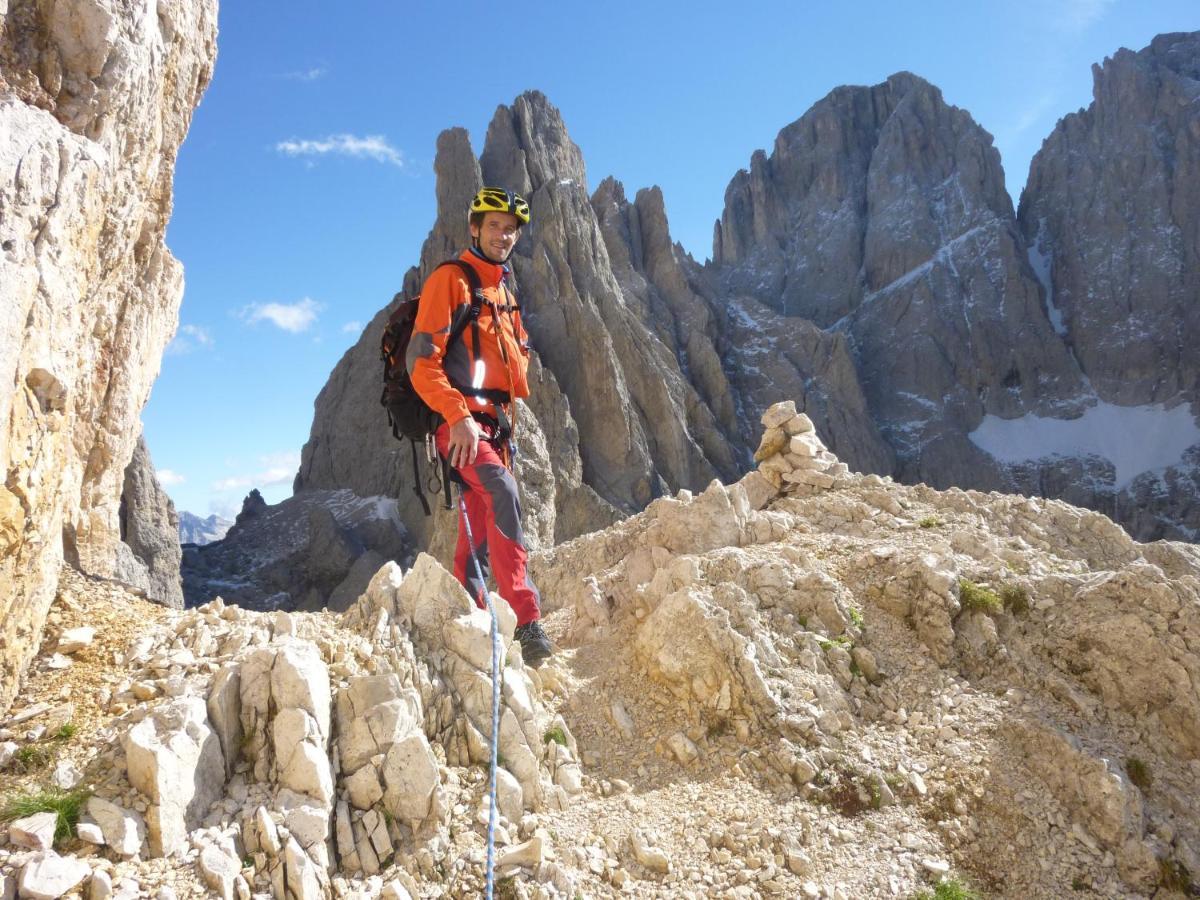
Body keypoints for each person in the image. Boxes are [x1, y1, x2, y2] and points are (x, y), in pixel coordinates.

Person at [407, 187, 553, 667]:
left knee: (482, 517)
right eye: (494, 225)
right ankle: (527, 621)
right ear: (475, 227)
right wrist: (458, 416)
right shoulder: (451, 280)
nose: (503, 234)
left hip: (494, 425)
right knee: (503, 493)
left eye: (511, 228)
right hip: (461, 424)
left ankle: (470, 615)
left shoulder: (503, 291)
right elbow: (420, 361)